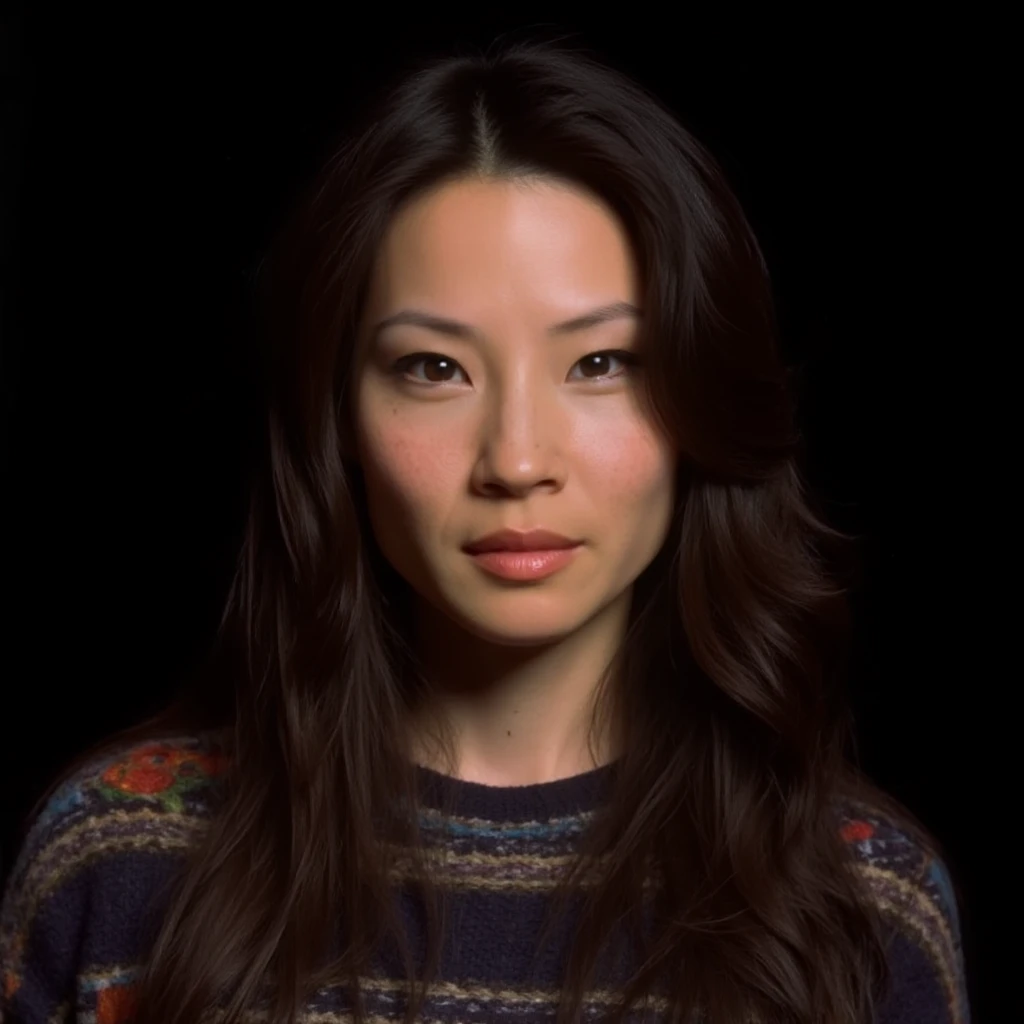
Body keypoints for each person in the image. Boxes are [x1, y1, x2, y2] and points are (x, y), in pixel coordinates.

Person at [0, 38, 969, 1024]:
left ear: (702, 402)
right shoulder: (117, 858)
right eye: (433, 368)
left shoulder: (861, 903)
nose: (514, 459)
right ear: (336, 418)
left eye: (600, 363)